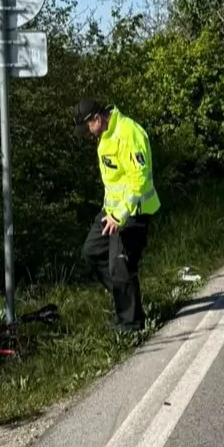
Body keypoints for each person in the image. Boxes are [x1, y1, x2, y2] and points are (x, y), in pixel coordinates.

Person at [74, 99, 160, 331]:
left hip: (134, 212)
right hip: (111, 211)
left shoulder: (128, 132)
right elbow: (115, 182)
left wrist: (120, 216)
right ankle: (127, 302)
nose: (89, 134)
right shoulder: (106, 135)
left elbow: (139, 180)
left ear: (97, 118)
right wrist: (110, 212)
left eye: (88, 127)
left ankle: (131, 325)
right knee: (92, 252)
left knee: (119, 265)